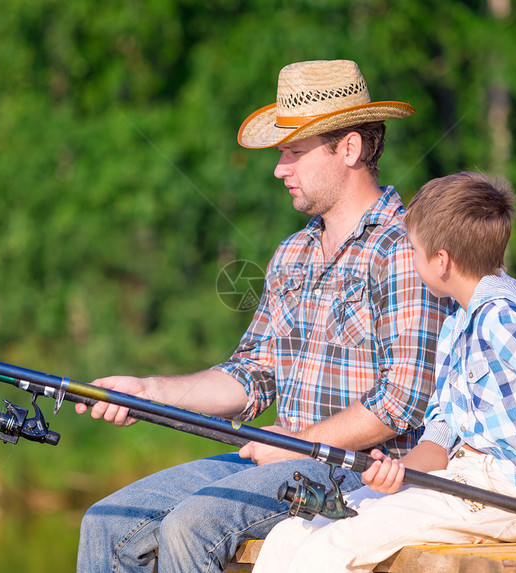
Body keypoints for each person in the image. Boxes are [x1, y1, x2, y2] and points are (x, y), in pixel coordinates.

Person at [74, 60, 453, 572]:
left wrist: (295, 444)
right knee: (109, 518)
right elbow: (252, 375)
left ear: (349, 148)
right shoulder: (291, 254)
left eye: (293, 153)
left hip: (360, 471)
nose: (280, 169)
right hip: (279, 458)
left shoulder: (405, 250)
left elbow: (402, 402)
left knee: (192, 524)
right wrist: (149, 392)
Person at [252, 172, 516, 573]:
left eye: (412, 249)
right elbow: (442, 436)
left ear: (441, 261)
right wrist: (398, 473)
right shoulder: (456, 325)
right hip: (460, 479)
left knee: (328, 550)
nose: (409, 259)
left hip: (507, 495)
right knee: (296, 531)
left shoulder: (501, 319)